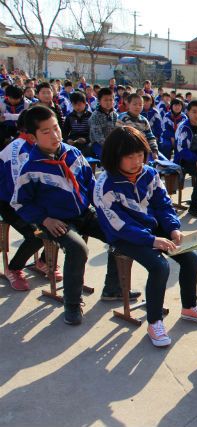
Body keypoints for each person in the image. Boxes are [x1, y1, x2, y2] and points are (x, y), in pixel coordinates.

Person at [12, 106, 140, 325]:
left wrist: (104, 208)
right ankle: (71, 304)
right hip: (55, 221)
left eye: (56, 128)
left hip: (83, 213)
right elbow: (20, 202)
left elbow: (90, 184)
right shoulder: (30, 168)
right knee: (78, 249)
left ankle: (113, 287)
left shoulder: (73, 154)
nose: (54, 135)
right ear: (33, 137)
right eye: (46, 132)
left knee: (119, 231)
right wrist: (45, 220)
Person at [93, 126, 197, 348]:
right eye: (130, 156)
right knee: (159, 266)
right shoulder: (104, 185)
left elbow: (163, 205)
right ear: (114, 157)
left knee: (190, 258)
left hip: (150, 227)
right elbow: (118, 225)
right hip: (124, 236)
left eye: (140, 154)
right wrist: (153, 241)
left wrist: (173, 229)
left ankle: (189, 307)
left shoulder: (150, 173)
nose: (137, 161)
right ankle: (154, 321)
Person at [0, 112, 57, 291]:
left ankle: (42, 261)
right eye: (44, 129)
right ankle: (14, 268)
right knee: (37, 234)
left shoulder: (39, 145)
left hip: (32, 200)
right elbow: (17, 191)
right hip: (10, 202)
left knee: (62, 223)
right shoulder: (17, 150)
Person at [116, 93, 160, 160]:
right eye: (135, 104)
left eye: (140, 105)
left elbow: (150, 137)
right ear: (128, 105)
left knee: (161, 163)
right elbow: (118, 137)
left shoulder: (144, 120)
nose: (138, 107)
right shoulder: (122, 118)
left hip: (144, 149)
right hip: (128, 150)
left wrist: (154, 150)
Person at [88, 87, 118, 158]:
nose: (108, 102)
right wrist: (110, 146)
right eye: (105, 100)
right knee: (108, 157)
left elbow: (118, 130)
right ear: (99, 101)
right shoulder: (95, 116)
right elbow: (98, 136)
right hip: (97, 144)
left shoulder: (115, 114)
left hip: (112, 142)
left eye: (111, 100)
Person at [61, 91, 92, 157]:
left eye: (79, 104)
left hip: (86, 141)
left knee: (87, 150)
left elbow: (94, 133)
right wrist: (67, 139)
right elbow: (64, 132)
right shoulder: (70, 117)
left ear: (85, 103)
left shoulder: (90, 116)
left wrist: (86, 139)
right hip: (73, 140)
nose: (77, 107)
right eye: (74, 105)